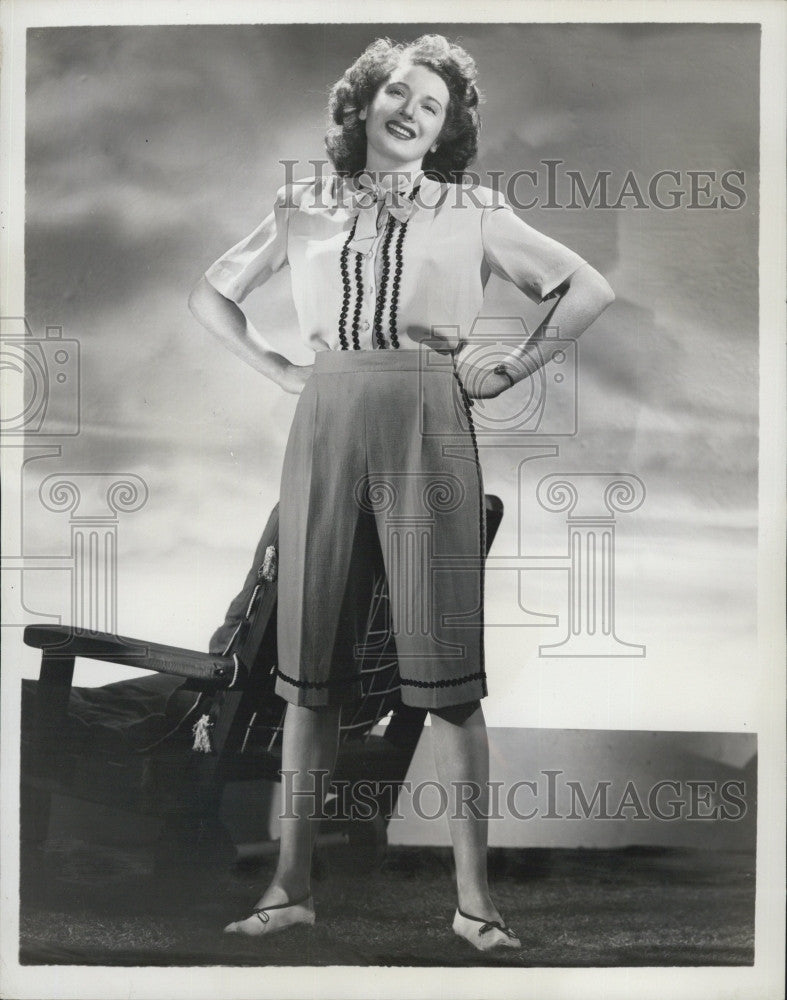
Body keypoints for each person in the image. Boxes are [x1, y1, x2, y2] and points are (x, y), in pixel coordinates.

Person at [188, 34, 614, 953]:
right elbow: (211, 296)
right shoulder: (303, 207)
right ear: (362, 108)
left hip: (429, 414)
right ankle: (289, 888)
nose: (413, 109)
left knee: (450, 683)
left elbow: (588, 287)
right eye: (397, 93)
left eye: (433, 102)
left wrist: (517, 364)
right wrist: (276, 369)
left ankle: (475, 908)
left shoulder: (473, 210)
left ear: (446, 127)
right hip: (328, 417)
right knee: (309, 681)